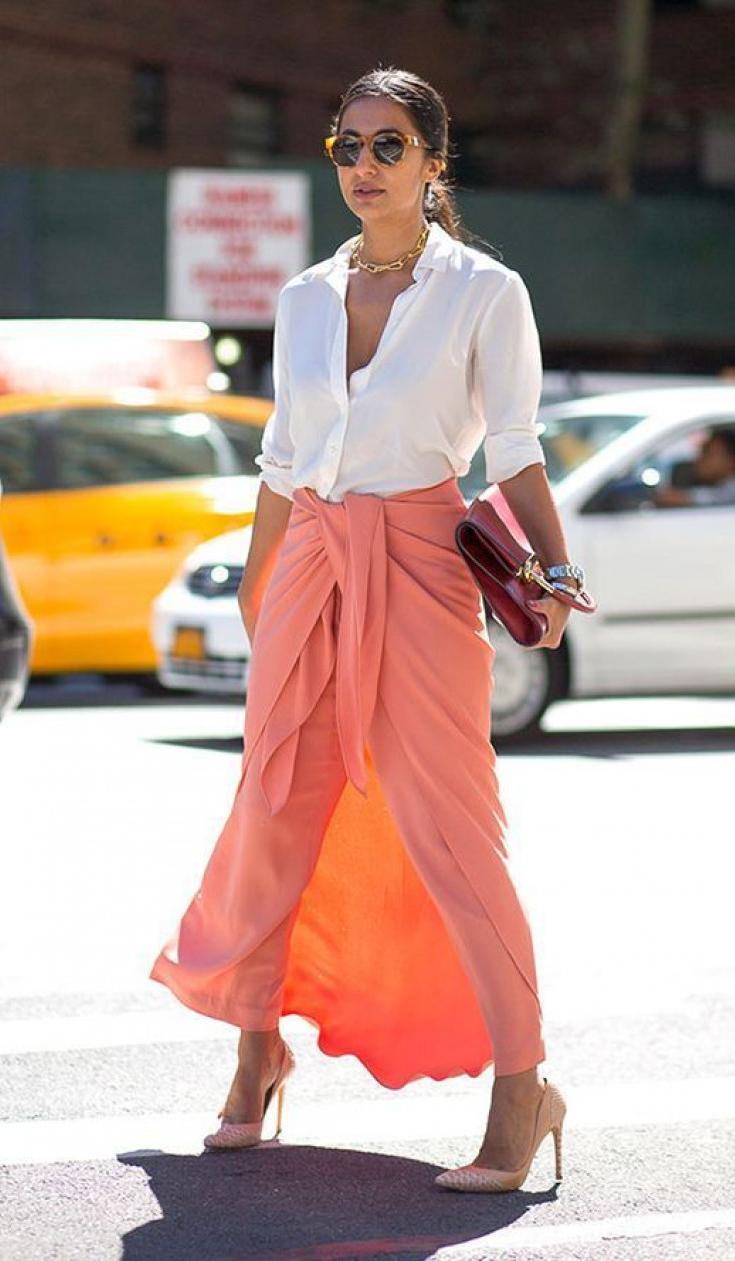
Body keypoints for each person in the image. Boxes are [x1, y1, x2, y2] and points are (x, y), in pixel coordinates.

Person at [150, 67, 586, 1194]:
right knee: (271, 811)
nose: (361, 168)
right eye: (346, 146)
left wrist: (554, 564)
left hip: (424, 568)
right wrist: (260, 589)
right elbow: (283, 463)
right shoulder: (301, 296)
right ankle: (257, 1049)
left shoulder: (485, 291)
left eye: (387, 147)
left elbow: (516, 449)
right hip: (308, 567)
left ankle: (522, 1087)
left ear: (435, 163)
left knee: (450, 830)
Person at [654, 428, 735, 508]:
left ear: (732, 460)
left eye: (708, 454)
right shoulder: (715, 487)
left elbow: (712, 499)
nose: (698, 460)